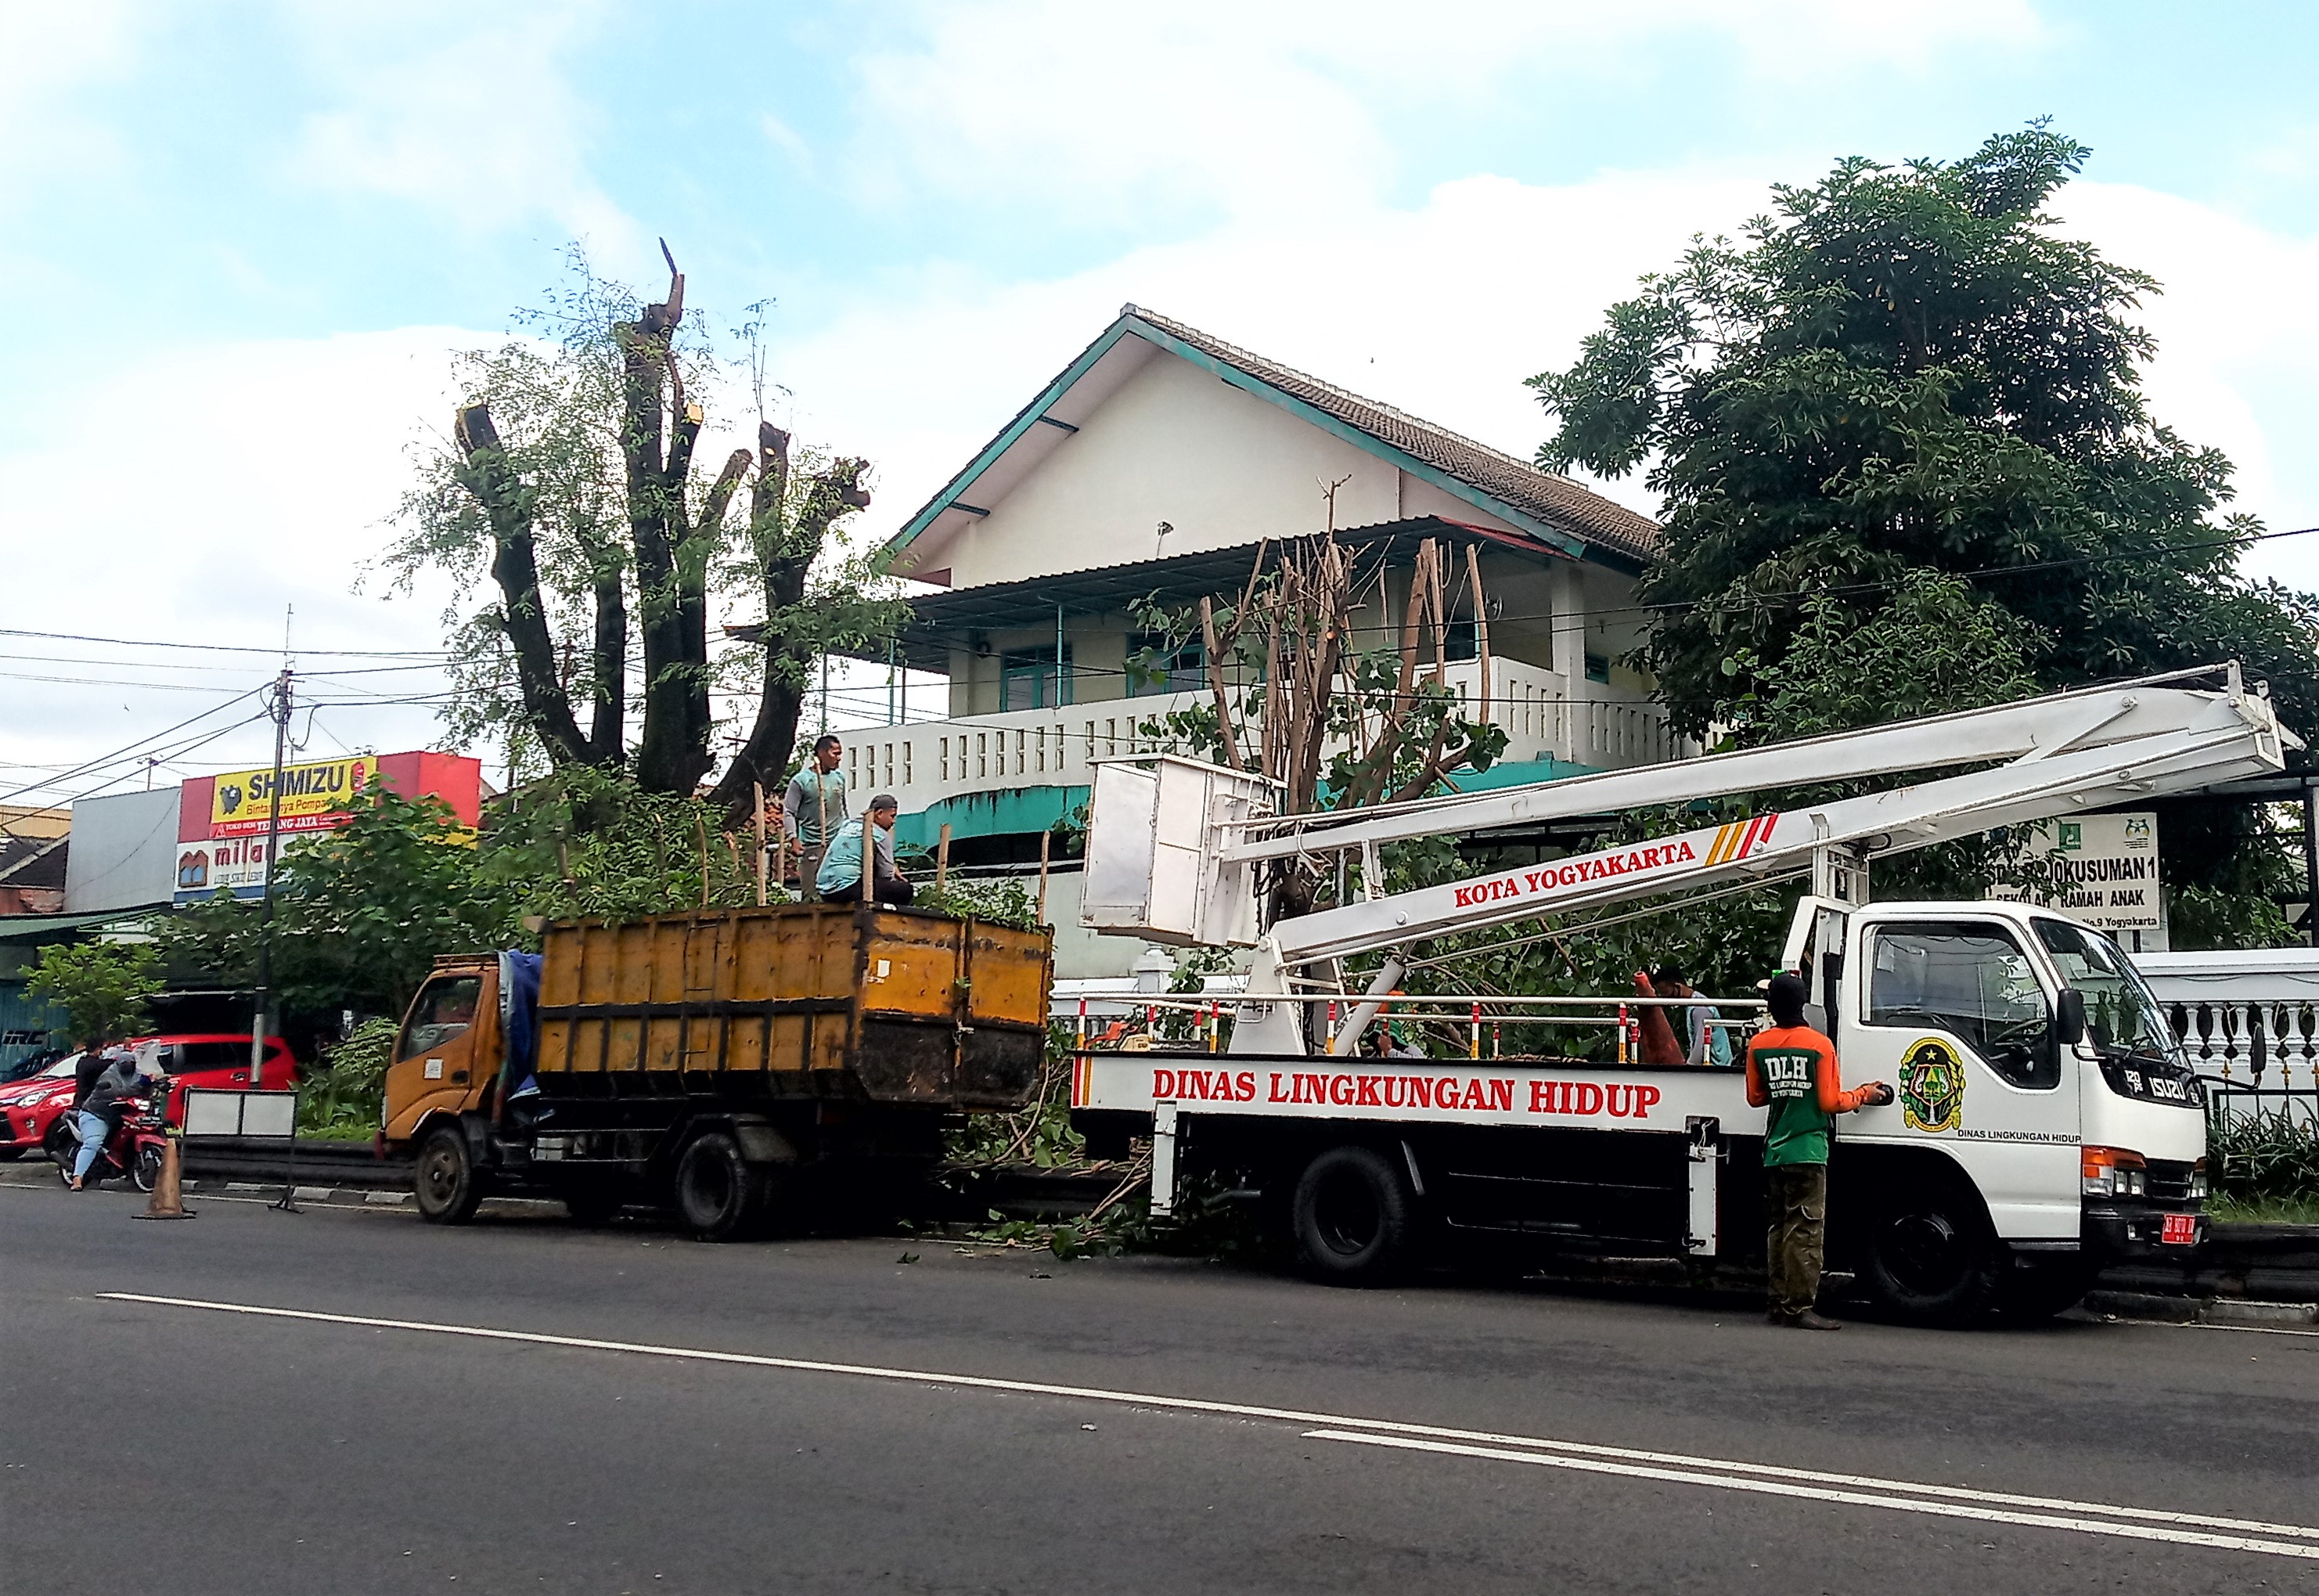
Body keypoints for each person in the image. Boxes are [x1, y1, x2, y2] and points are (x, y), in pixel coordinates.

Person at [1745, 972, 1894, 1329]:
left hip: (1775, 1149)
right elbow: (1829, 1101)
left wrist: (1785, 1089)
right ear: (1803, 1007)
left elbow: (1755, 1097)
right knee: (1805, 1231)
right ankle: (1800, 1307)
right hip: (1808, 1150)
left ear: (1772, 1007)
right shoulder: (1819, 1045)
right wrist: (1864, 1095)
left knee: (1778, 1229)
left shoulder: (1759, 1045)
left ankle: (1777, 1303)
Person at [783, 735, 848, 901]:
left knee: (838, 889)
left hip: (836, 842)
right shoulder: (802, 781)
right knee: (811, 893)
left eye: (840, 754)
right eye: (835, 753)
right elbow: (789, 811)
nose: (838, 758)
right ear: (821, 753)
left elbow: (843, 809)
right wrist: (793, 839)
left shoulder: (839, 778)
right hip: (812, 844)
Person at [817, 794, 915, 906]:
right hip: (847, 889)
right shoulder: (880, 834)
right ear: (880, 813)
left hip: (825, 891)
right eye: (892, 816)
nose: (894, 822)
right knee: (905, 890)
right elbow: (886, 875)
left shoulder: (848, 825)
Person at [69, 1047, 143, 1191]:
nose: (128, 1066)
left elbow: (143, 1087)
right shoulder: (108, 1075)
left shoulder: (137, 1074)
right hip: (97, 1114)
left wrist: (157, 1083)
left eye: (131, 1063)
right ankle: (78, 1178)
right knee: (93, 1143)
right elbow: (119, 1090)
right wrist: (142, 1085)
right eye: (125, 1063)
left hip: (120, 1115)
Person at [1651, 964, 1733, 1068]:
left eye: (1665, 992)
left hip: (1718, 1067)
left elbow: (1700, 1047)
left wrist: (1687, 1070)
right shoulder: (1693, 1004)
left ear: (1677, 986)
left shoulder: (1699, 1008)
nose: (1665, 997)